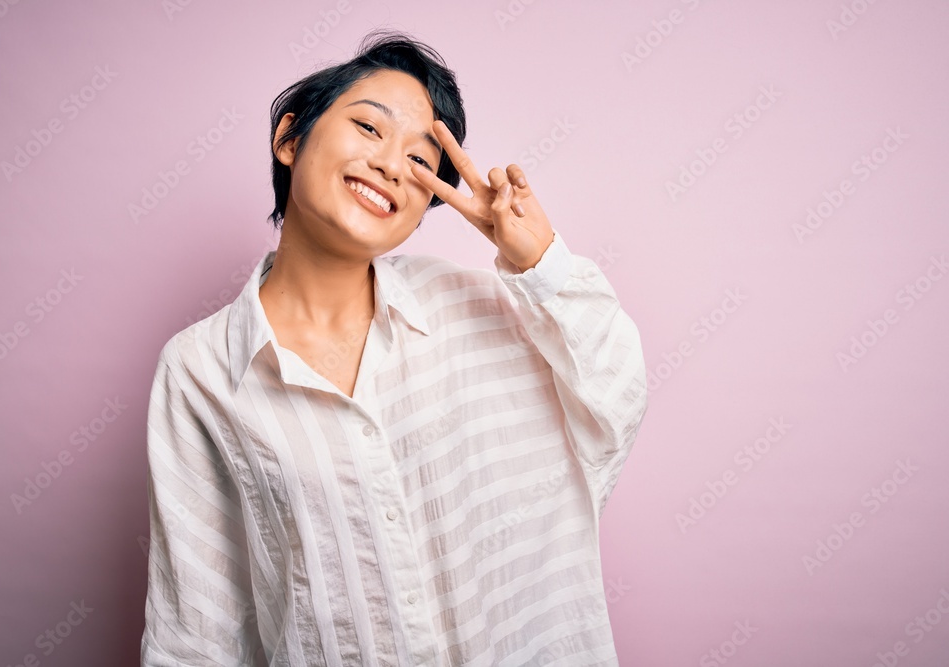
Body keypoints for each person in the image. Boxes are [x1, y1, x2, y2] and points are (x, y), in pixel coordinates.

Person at [141, 28, 648, 666]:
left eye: (421, 162)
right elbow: (197, 629)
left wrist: (540, 264)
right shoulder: (200, 372)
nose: (390, 166)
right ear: (289, 138)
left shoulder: (476, 305)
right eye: (369, 129)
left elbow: (615, 404)